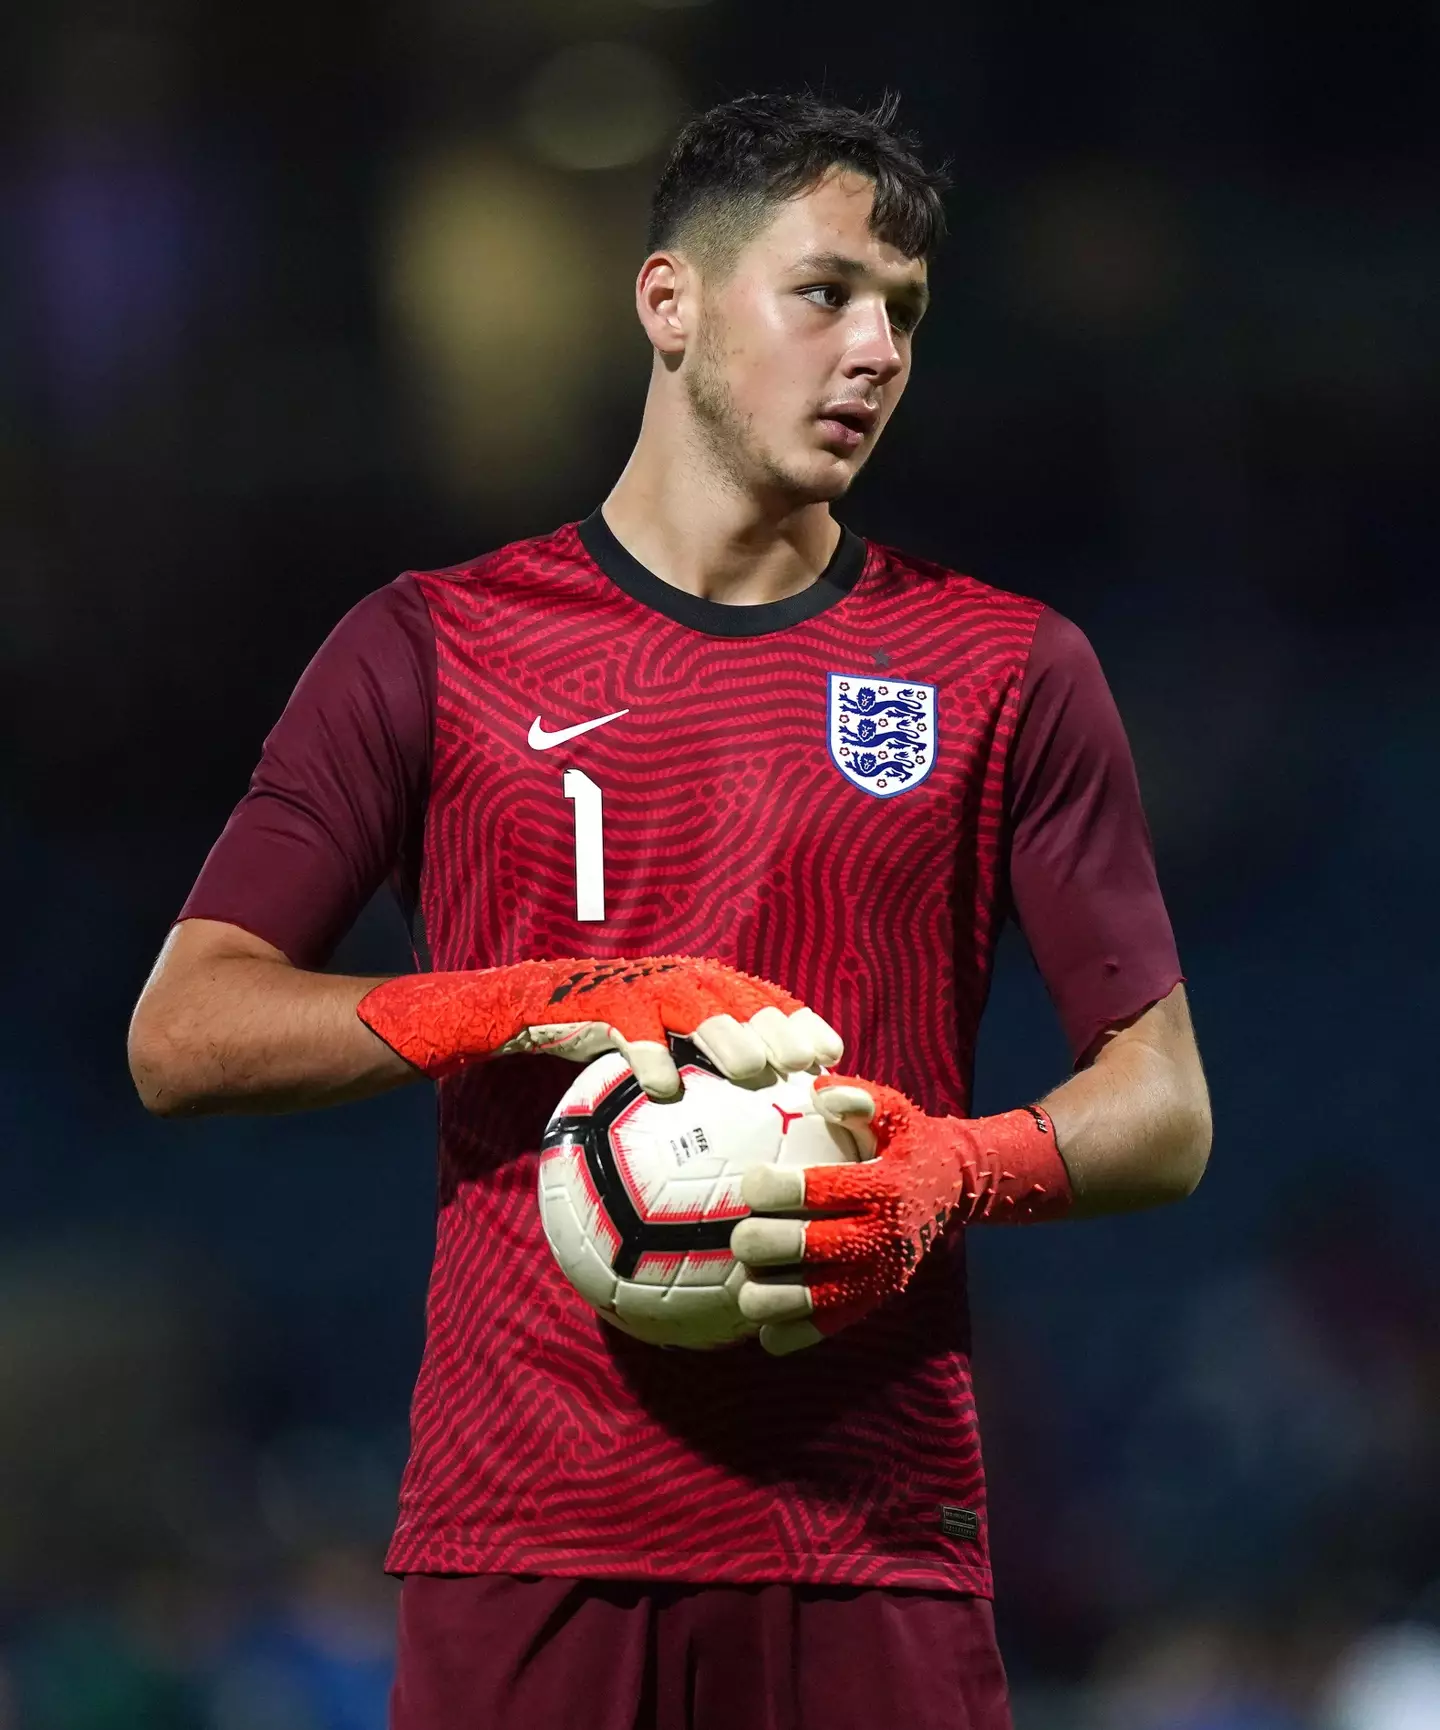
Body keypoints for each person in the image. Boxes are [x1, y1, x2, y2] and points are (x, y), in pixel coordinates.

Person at [128, 91, 1211, 1730]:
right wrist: (531, 997)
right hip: (528, 1537)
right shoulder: (434, 643)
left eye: (906, 314)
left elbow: (1165, 1106)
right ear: (670, 301)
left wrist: (948, 1168)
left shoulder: (1006, 668)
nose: (875, 352)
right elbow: (180, 1029)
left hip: (876, 1534)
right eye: (827, 290)